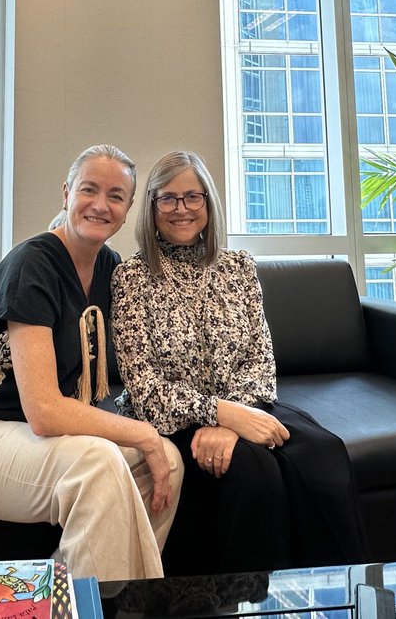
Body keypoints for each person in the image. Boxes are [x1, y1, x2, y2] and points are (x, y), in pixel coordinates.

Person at [0, 145, 183, 580]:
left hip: (22, 433)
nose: (100, 204)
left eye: (116, 195)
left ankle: (108, 597)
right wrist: (144, 434)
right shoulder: (32, 264)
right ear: (66, 193)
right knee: (98, 462)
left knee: (167, 459)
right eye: (89, 189)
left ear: (129, 208)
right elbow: (44, 411)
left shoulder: (108, 267)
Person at [110, 150, 368, 574]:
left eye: (193, 197)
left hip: (247, 404)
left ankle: (344, 592)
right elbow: (145, 387)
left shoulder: (238, 267)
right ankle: (252, 603)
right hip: (171, 417)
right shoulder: (130, 277)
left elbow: (260, 359)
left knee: (324, 455)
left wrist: (232, 420)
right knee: (255, 477)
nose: (182, 209)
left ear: (209, 204)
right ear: (152, 208)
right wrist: (219, 415)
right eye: (168, 199)